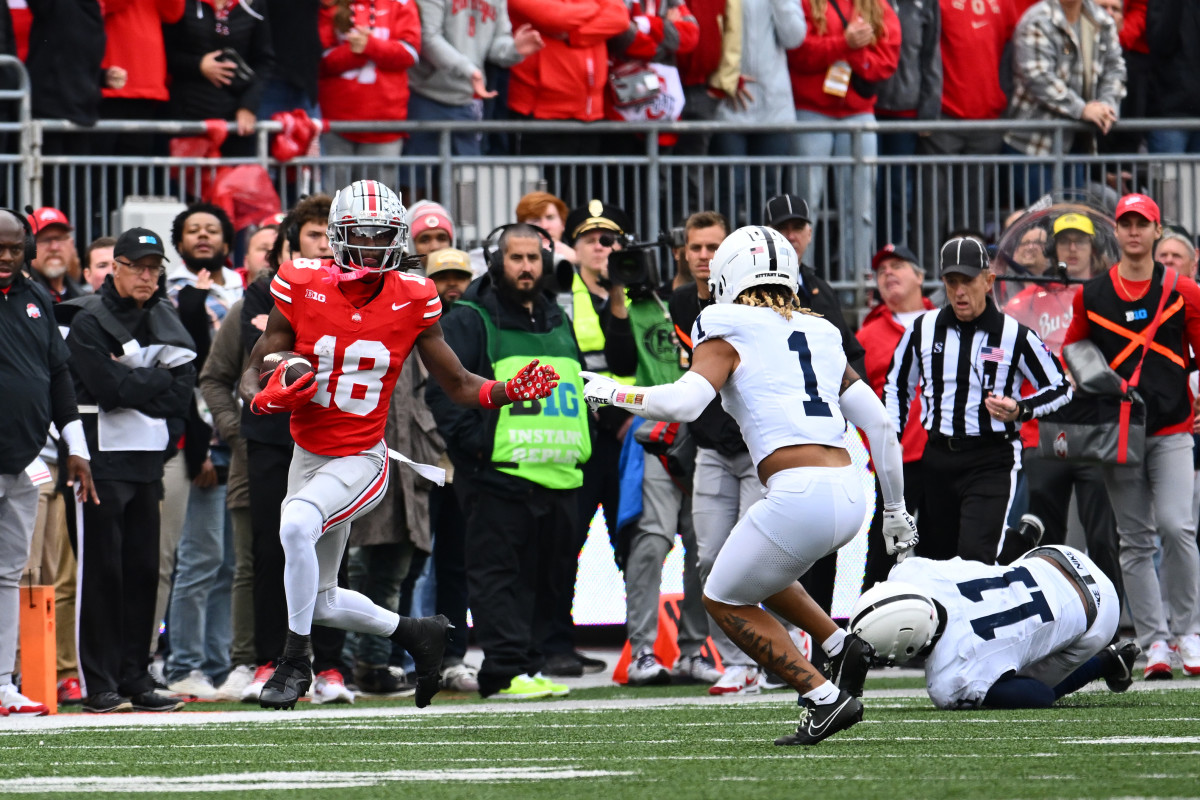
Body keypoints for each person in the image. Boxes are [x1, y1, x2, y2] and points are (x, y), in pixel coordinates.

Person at [583, 225, 918, 745]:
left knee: (722, 596)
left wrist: (610, 392)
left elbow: (684, 404)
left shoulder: (724, 323)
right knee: (758, 567)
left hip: (796, 494)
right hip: (851, 491)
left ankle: (822, 697)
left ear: (727, 275)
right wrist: (895, 511)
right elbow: (880, 425)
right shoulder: (822, 332)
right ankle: (837, 645)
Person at [238, 181, 559, 709]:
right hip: (307, 452)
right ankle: (418, 633)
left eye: (380, 236)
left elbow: (456, 383)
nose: (369, 248)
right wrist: (261, 397)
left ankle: (295, 663)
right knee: (320, 600)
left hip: (361, 454)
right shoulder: (299, 281)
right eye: (359, 236)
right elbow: (257, 364)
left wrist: (506, 390)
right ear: (338, 238)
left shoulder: (414, 295)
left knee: (294, 524)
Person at [426, 223, 591, 699]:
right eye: (516, 257)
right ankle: (503, 669)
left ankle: (531, 664)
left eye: (534, 258)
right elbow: (445, 389)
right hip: (495, 474)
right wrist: (476, 446)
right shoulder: (470, 317)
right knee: (497, 575)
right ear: (496, 261)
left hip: (559, 473)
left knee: (547, 579)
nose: (526, 266)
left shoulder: (556, 316)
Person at [1062, 193, 1200, 680]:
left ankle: (1190, 632)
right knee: (1135, 538)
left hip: (1173, 426)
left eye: (1143, 223)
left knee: (1177, 526)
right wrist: (1096, 379)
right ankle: (1154, 641)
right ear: (1116, 232)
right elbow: (1074, 347)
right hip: (1119, 431)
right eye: (1126, 223)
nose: (1134, 231)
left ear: (1157, 231)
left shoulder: (1185, 290)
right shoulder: (1092, 294)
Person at [59, 226, 194, 714]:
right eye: (137, 266)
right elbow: (105, 388)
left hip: (146, 460)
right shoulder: (85, 317)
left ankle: (136, 675)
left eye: (154, 268)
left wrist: (138, 378)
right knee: (101, 572)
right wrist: (156, 377)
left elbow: (183, 392)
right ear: (113, 266)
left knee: (142, 570)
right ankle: (99, 681)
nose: (146, 275)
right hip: (96, 460)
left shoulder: (164, 314)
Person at [885, 237, 1073, 564]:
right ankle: (1018, 544)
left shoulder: (1015, 335)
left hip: (992, 457)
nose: (959, 291)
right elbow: (897, 386)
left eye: (968, 281)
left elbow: (1061, 387)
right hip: (938, 456)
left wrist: (1022, 409)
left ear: (988, 281)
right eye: (952, 281)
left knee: (975, 560)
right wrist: (893, 436)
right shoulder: (922, 328)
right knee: (936, 561)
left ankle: (1010, 547)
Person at [603, 209, 718, 689]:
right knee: (650, 544)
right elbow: (620, 357)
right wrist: (617, 289)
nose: (704, 257)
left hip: (713, 443)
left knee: (705, 551)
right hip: (659, 439)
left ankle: (694, 650)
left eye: (713, 248)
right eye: (696, 248)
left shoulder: (735, 307)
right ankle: (644, 651)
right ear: (680, 252)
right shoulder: (649, 303)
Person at [0, 208, 95, 717]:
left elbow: (60, 377)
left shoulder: (37, 297)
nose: (7, 257)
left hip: (26, 457)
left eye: (16, 248)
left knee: (9, 572)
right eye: (0, 248)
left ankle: (1, 682)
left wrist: (76, 446)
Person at [850, 545, 1140, 710]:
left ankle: (1106, 662)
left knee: (1017, 677)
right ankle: (1015, 542)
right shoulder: (911, 572)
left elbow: (1038, 696)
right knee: (995, 580)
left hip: (1100, 611)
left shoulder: (952, 679)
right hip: (1054, 556)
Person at [1002, 212, 1122, 600]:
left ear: (1093, 246)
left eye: (1081, 240)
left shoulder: (1107, 296)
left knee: (1101, 532)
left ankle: (1109, 615)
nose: (1073, 247)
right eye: (1066, 240)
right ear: (1055, 248)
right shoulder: (1025, 301)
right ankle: (1051, 609)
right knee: (1044, 532)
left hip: (1095, 428)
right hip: (1043, 430)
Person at [788, 0, 900, 273]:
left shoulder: (877, 4)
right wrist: (845, 44)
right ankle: (802, 284)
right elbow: (797, 52)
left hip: (858, 114)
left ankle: (856, 289)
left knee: (861, 209)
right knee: (804, 207)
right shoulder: (803, 4)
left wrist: (850, 52)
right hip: (810, 111)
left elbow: (887, 61)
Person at [855, 244, 934, 588]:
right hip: (896, 458)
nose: (888, 273)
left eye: (898, 265)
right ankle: (870, 622)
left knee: (942, 546)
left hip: (947, 452)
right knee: (884, 549)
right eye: (881, 269)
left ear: (920, 276)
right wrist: (876, 443)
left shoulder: (945, 322)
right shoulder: (867, 336)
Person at [1003, 0, 1126, 205]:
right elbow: (1038, 77)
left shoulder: (1101, 19)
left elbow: (1115, 69)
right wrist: (1082, 109)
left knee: (1074, 224)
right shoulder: (1036, 20)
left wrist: (1107, 105)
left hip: (1076, 141)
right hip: (1033, 145)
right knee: (1044, 224)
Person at [709, 0, 806, 227]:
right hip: (728, 105)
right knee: (731, 187)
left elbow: (794, 38)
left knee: (767, 191)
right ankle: (728, 257)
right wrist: (726, 80)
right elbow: (709, 35)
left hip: (773, 107)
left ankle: (763, 257)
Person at [406, 0, 543, 157]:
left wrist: (514, 49)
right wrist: (468, 69)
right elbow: (428, 38)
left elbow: (497, 42)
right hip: (426, 96)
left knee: (467, 177)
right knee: (420, 177)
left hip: (467, 100)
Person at [317, 0, 420, 190]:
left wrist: (370, 46)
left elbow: (410, 53)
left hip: (385, 126)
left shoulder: (402, 3)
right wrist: (355, 51)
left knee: (376, 209)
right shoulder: (329, 4)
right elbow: (319, 60)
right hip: (335, 124)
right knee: (334, 206)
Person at [163, 0, 275, 158]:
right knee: (185, 180)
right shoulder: (182, 3)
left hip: (235, 122)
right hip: (187, 116)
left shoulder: (253, 4)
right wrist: (199, 66)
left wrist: (248, 106)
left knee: (235, 180)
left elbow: (264, 62)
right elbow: (165, 53)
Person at [873, 0, 941, 250]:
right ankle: (869, 261)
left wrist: (929, 111)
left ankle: (895, 255)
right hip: (868, 108)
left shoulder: (926, 4)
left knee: (899, 192)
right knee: (871, 188)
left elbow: (930, 55)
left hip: (906, 112)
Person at [27, 207, 84, 301]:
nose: (54, 247)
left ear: (71, 244)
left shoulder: (82, 297)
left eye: (60, 239)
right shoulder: (19, 297)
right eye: (45, 240)